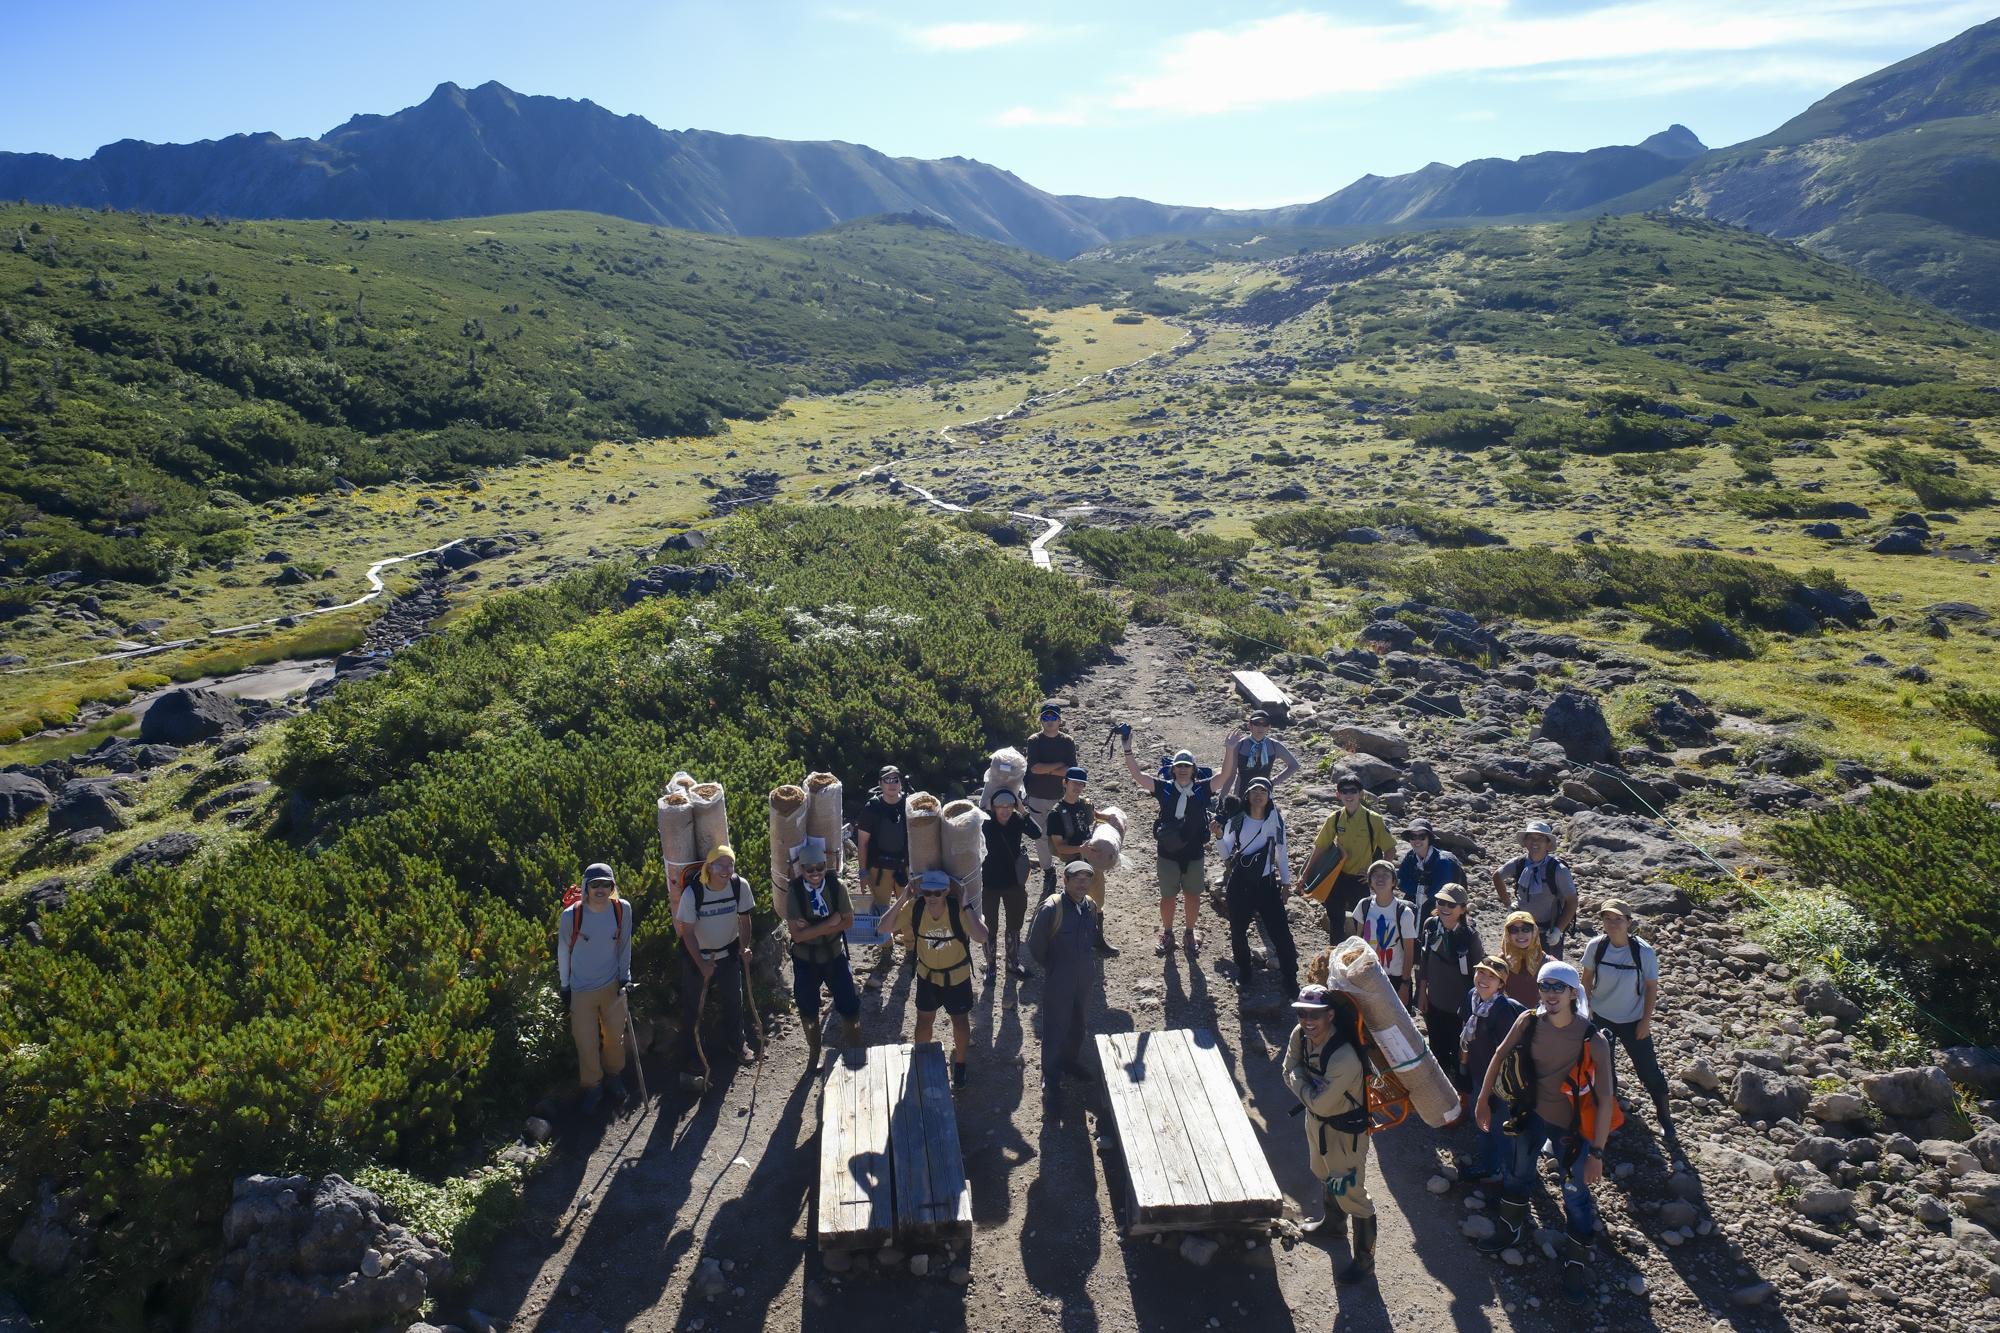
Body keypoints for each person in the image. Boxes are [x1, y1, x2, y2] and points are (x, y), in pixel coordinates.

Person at [1473, 960, 1616, 1305]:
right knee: (1518, 1172)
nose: (1550, 994)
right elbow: (1499, 1054)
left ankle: (1576, 1257)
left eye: (1558, 987)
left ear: (1572, 993)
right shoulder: (1529, 1021)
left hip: (1571, 1127)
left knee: (1574, 1192)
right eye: (1545, 986)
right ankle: (1511, 1228)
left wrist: (1596, 1153)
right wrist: (1482, 1100)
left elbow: (1607, 1097)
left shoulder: (1592, 1038)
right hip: (1531, 1113)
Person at [1282, 983, 1378, 1284]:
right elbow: (1288, 1068)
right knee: (1323, 1172)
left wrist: (1299, 1083)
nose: (1307, 1020)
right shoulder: (1300, 1035)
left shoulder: (1345, 1058)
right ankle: (1334, 1226)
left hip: (1345, 1134)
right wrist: (1304, 1086)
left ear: (1331, 1015)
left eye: (1316, 1014)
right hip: (1317, 1124)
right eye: (1302, 1014)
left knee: (1353, 1194)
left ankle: (1365, 1263)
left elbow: (1316, 1098)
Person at [1119, 735, 1238, 956]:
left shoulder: (1203, 789)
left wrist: (1229, 750)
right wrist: (1127, 750)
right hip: (1168, 853)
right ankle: (1168, 932)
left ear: (1193, 770)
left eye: (1186, 766)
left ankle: (1190, 932)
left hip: (1193, 853)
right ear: (1173, 770)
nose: (1183, 769)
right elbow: (1137, 775)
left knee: (1192, 895)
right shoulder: (1164, 788)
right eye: (1179, 766)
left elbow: (1224, 775)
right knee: (1168, 896)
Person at [1580, 898, 1676, 1153]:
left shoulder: (1642, 951)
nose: (1612, 924)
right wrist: (1585, 1010)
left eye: (1618, 919)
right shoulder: (1596, 947)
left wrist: (1646, 1021)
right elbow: (1586, 979)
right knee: (1603, 1069)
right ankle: (1610, 1116)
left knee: (1648, 1071)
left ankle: (1664, 1117)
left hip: (1633, 1020)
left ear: (1629, 923)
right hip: (1601, 1017)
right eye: (1607, 919)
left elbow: (1651, 987)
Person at [892, 869, 986, 1089]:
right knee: (924, 1021)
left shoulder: (958, 910)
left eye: (937, 892)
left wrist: (966, 903)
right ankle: (921, 1060)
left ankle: (960, 1066)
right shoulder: (916, 908)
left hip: (957, 977)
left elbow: (982, 937)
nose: (932, 897)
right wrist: (902, 899)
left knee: (960, 1021)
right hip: (928, 976)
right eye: (927, 892)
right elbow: (884, 927)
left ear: (946, 891)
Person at [676, 844, 760, 1079]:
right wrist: (702, 965)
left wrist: (744, 946)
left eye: (730, 864)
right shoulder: (694, 892)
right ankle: (695, 1054)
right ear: (709, 867)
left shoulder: (738, 885)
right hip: (697, 958)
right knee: (694, 1007)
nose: (726, 869)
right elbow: (687, 932)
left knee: (734, 999)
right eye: (720, 864)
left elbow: (744, 920)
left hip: (729, 953)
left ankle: (737, 1042)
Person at [1028, 861, 1106, 1106]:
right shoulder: (1053, 908)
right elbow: (1035, 945)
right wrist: (1052, 967)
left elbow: (1092, 939)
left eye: (1087, 878)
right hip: (1059, 976)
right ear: (1066, 880)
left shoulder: (1091, 906)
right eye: (1077, 878)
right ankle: (1050, 1080)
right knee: (1054, 1027)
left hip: (1084, 976)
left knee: (1078, 1022)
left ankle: (1069, 1062)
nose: (1082, 883)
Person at [558, 862, 634, 1114]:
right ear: (586, 886)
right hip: (580, 990)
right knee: (585, 1042)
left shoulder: (622, 910)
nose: (600, 889)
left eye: (606, 884)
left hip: (612, 985)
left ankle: (613, 1076)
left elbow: (624, 945)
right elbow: (562, 951)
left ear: (613, 887)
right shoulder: (572, 915)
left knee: (614, 1038)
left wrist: (625, 977)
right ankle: (593, 1086)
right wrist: (565, 986)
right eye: (595, 884)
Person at [1215, 776, 1299, 996]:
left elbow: (1281, 854)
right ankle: (1244, 971)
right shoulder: (1237, 820)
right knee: (1238, 931)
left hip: (1267, 884)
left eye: (1263, 791)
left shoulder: (1276, 821)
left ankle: (1290, 977)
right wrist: (1217, 836)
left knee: (1281, 932)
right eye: (1254, 791)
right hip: (1240, 883)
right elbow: (1225, 852)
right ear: (1248, 795)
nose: (1259, 795)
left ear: (1269, 795)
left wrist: (1286, 883)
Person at [784, 837, 859, 1067]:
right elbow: (797, 936)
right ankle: (814, 1053)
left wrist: (812, 928)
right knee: (807, 1006)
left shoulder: (837, 887)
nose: (815, 873)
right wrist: (829, 924)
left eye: (819, 868)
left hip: (835, 954)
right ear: (802, 869)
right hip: (806, 959)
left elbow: (848, 921)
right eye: (809, 869)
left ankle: (855, 1050)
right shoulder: (795, 892)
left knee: (849, 1003)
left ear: (825, 867)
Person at [1459, 955, 1524, 1184]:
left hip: (1499, 1083)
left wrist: (1494, 1092)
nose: (1483, 979)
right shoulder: (1472, 998)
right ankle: (1489, 1166)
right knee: (1482, 1122)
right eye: (1481, 972)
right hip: (1478, 1073)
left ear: (1501, 984)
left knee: (1501, 1129)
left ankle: (1509, 1179)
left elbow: (1507, 1054)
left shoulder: (1503, 1010)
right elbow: (1465, 1037)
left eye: (1492, 976)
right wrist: (1463, 1069)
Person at [1041, 767, 1119, 957]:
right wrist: (1080, 849)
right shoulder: (1055, 814)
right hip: (1074, 863)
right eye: (1074, 782)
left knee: (1098, 901)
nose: (1077, 787)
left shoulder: (1085, 804)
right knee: (1075, 901)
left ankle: (1097, 940)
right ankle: (1071, 943)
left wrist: (1108, 817)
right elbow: (1059, 847)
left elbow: (1094, 815)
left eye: (1081, 783)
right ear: (1065, 783)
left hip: (1092, 860)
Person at [1310, 776, 1395, 938]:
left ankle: (1363, 958)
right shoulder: (1334, 818)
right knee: (1335, 920)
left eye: (1353, 791)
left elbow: (1390, 848)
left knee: (1362, 923)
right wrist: (1306, 874)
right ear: (1338, 795)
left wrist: (1376, 874)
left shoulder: (1373, 820)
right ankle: (1335, 956)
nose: (1349, 795)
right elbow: (1320, 847)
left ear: (1361, 794)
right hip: (1336, 877)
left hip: (1360, 879)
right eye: (1344, 791)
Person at [1414, 884, 1483, 1079]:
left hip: (1460, 1009)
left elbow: (1479, 974)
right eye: (1441, 902)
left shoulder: (1470, 937)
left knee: (1459, 1054)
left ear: (1462, 909)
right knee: (1437, 1050)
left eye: (1451, 904)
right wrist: (1421, 993)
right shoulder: (1430, 925)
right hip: (1434, 1002)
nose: (1445, 907)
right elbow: (1424, 961)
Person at [980, 788, 1042, 981]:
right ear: (993, 807)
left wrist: (1023, 811)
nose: (1005, 810)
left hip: (1014, 882)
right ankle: (991, 966)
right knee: (988, 926)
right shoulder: (984, 822)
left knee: (1014, 924)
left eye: (1010, 806)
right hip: (989, 883)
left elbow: (1037, 833)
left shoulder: (1017, 820)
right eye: (1001, 806)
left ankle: (1012, 963)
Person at [1491, 819, 1578, 958]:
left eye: (1540, 838)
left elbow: (1572, 901)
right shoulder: (1519, 863)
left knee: (1548, 974)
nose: (1535, 842)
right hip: (1521, 929)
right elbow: (1497, 876)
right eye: (1531, 838)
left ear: (1548, 844)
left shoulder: (1558, 870)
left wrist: (1558, 930)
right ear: (1525, 842)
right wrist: (1508, 904)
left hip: (1548, 931)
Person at [854, 764, 911, 953]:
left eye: (896, 779)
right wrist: (862, 872)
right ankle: (887, 947)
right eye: (887, 780)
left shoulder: (910, 806)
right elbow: (862, 843)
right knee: (881, 909)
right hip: (878, 869)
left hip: (904, 867)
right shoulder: (872, 808)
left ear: (901, 783)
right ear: (880, 783)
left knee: (909, 907)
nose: (892, 784)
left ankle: (911, 948)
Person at [1023, 701, 1078, 894]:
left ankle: (1072, 871)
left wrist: (1046, 769)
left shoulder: (1067, 741)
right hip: (1037, 797)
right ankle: (1049, 871)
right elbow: (1034, 768)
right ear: (1040, 720)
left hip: (1061, 798)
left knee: (1067, 835)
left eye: (1053, 717)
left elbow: (1071, 771)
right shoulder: (1034, 740)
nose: (1050, 721)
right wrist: (1057, 766)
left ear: (1060, 720)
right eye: (1046, 717)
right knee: (1040, 836)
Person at [1349, 860, 1418, 1006]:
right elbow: (1359, 942)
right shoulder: (1364, 905)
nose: (1380, 878)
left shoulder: (1404, 913)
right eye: (1375, 875)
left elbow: (1409, 953)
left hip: (1395, 978)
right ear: (1370, 881)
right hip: (1369, 974)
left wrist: (1405, 985)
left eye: (1385, 875)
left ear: (1394, 881)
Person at [1396, 818, 1465, 920]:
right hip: (1416, 902)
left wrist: (1418, 890)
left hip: (1444, 906)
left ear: (1429, 838)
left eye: (1422, 836)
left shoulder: (1443, 861)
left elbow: (1438, 892)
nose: (1417, 840)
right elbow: (1401, 883)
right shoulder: (1410, 856)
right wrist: (1421, 889)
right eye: (1413, 836)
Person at [1228, 710, 1301, 804]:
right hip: (1241, 794)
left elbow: (1294, 765)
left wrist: (1273, 782)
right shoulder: (1239, 745)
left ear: (1269, 727)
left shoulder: (1274, 745)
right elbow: (1230, 774)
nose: (1260, 727)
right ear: (1249, 726)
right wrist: (1224, 797)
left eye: (1265, 724)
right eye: (1257, 723)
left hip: (1264, 795)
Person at [1498, 910, 1547, 1008]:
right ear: (1508, 934)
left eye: (1526, 929)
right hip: (1511, 1015)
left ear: (1534, 931)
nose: (1520, 934)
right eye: (1514, 930)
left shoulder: (1548, 963)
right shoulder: (1501, 962)